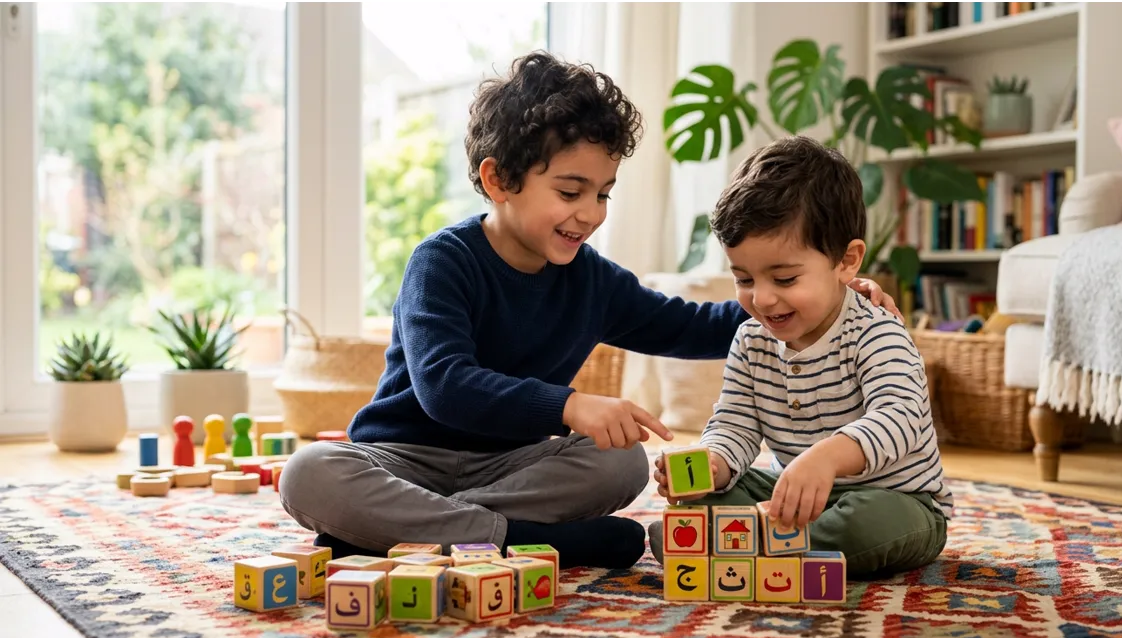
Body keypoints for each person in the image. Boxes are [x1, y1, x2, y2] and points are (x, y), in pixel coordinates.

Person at [278, 52, 899, 571]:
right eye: (570, 191)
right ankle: (513, 538)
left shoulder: (591, 280)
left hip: (510, 467)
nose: (591, 213)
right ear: (498, 180)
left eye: (602, 193)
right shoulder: (441, 262)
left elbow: (689, 325)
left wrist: (820, 299)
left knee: (620, 461)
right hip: (405, 456)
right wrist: (569, 405)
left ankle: (407, 532)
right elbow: (445, 388)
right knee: (307, 472)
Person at [649, 135, 950, 579]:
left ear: (847, 262)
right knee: (709, 496)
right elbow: (735, 424)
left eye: (785, 278)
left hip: (898, 498)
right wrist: (714, 462)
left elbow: (899, 417)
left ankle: (742, 544)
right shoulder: (750, 341)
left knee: (867, 524)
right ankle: (761, 540)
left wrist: (828, 457)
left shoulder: (877, 331)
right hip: (795, 494)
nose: (763, 298)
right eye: (744, 278)